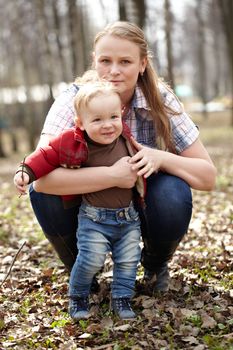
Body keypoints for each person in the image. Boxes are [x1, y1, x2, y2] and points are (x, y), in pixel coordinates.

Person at [25, 21, 216, 297]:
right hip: (86, 204)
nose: (113, 71)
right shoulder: (72, 101)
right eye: (105, 60)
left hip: (140, 200)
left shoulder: (160, 100)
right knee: (44, 195)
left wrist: (158, 157)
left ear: (142, 64)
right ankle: (83, 271)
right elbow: (40, 181)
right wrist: (113, 175)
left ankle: (154, 265)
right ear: (94, 61)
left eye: (125, 61)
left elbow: (207, 176)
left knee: (173, 192)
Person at [14, 81, 146, 320]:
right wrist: (25, 171)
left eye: (113, 117)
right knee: (90, 260)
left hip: (128, 217)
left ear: (122, 116)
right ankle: (78, 297)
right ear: (80, 123)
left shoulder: (126, 138)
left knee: (128, 261)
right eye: (97, 120)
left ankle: (122, 298)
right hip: (94, 218)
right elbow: (45, 155)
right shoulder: (72, 141)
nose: (107, 125)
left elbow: (144, 159)